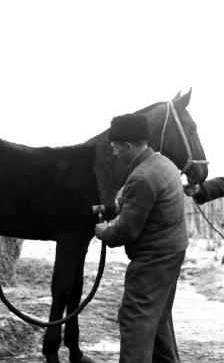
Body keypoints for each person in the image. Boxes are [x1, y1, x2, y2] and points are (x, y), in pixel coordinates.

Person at [95, 114, 187, 363]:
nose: (113, 153)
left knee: (135, 319)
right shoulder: (162, 163)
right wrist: (121, 205)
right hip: (172, 253)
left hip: (153, 260)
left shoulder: (141, 177)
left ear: (128, 146)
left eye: (115, 148)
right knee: (157, 320)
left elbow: (125, 233)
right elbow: (146, 205)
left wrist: (103, 231)